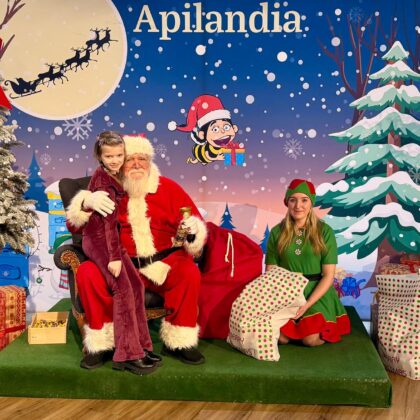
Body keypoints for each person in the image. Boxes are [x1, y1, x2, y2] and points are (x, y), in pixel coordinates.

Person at [66, 133, 208, 367]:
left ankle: (180, 342)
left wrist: (193, 229)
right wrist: (85, 203)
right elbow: (74, 225)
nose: (136, 164)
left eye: (142, 159)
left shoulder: (169, 188)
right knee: (88, 273)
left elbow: (192, 221)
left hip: (160, 263)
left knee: (188, 272)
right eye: (130, 159)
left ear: (150, 161)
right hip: (119, 265)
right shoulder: (105, 188)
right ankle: (102, 344)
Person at [76, 131, 158, 375]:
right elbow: (108, 225)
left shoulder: (115, 175)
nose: (115, 160)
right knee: (123, 290)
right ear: (100, 157)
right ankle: (128, 354)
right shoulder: (104, 183)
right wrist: (114, 258)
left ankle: (142, 346)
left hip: (110, 241)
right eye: (109, 156)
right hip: (100, 242)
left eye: (119, 155)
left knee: (137, 286)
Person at [265, 179, 351, 346]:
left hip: (315, 292)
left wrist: (306, 305)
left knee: (310, 340)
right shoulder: (277, 232)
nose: (298, 206)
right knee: (281, 338)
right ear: (287, 202)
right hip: (287, 292)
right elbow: (270, 273)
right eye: (293, 200)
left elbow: (328, 276)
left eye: (304, 200)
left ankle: (308, 328)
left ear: (311, 203)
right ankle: (295, 329)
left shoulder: (324, 231)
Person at [170, 94, 238, 165]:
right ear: (202, 135)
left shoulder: (225, 147)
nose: (223, 132)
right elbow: (207, 155)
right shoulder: (209, 148)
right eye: (215, 129)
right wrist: (217, 158)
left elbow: (233, 159)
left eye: (226, 127)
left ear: (234, 128)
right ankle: (197, 161)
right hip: (202, 156)